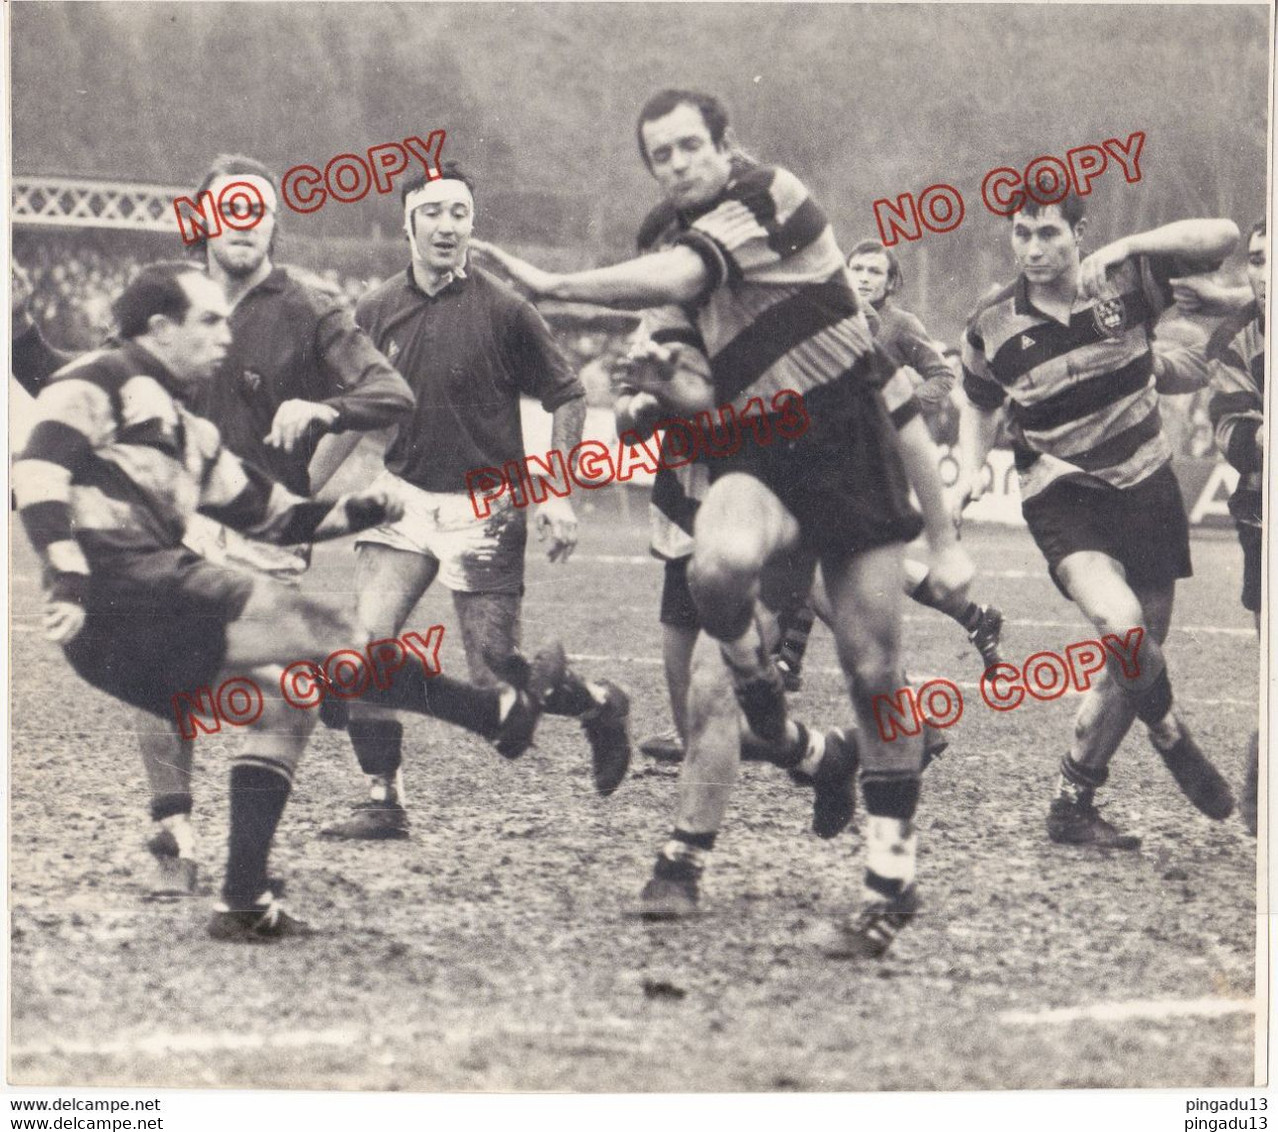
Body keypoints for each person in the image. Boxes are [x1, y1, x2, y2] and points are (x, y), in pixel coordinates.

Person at [474, 89, 974, 957]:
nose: (676, 163)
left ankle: (891, 879)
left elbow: (690, 276)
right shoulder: (672, 263)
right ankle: (757, 706)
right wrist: (658, 390)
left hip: (847, 451)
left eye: (687, 146)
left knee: (872, 669)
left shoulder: (774, 197)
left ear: (724, 145)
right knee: (716, 566)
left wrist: (553, 284)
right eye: (659, 155)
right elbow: (702, 387)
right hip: (765, 452)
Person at [12, 261, 580, 940]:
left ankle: (243, 901)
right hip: (121, 593)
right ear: (160, 329)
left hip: (127, 629)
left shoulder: (190, 432)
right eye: (209, 320)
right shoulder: (99, 379)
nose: (226, 333)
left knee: (290, 700)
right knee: (327, 627)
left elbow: (272, 516)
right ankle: (492, 713)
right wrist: (68, 570)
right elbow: (38, 469)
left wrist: (356, 512)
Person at [10, 155, 417, 893]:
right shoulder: (165, 302)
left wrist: (330, 411)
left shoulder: (311, 307)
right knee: (161, 683)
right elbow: (75, 380)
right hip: (168, 528)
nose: (242, 220)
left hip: (263, 523)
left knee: (284, 689)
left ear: (273, 222)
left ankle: (251, 859)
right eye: (227, 206)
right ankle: (175, 834)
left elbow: (390, 391)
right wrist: (15, 325)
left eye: (256, 207)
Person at [322, 163, 631, 842]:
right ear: (407, 223)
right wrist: (290, 502)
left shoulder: (505, 309)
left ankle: (602, 706)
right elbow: (350, 417)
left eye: (459, 212)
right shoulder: (372, 311)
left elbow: (568, 394)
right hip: (402, 500)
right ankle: (383, 798)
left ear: (473, 225)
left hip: (486, 506)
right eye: (432, 212)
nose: (447, 225)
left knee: (495, 680)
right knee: (362, 647)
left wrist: (556, 490)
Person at [956, 192, 1239, 848]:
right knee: (1121, 624)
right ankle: (1171, 738)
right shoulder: (990, 323)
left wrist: (1133, 244)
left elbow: (1222, 233)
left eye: (1049, 233)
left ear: (1080, 232)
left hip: (1148, 483)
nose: (1033, 249)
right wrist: (971, 469)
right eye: (1021, 234)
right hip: (1062, 493)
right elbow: (977, 403)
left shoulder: (1127, 277)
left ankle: (1073, 799)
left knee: (1135, 654)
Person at [774, 241, 1007, 693]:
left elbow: (943, 377)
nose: (863, 277)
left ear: (891, 281)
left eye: (874, 271)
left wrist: (894, 409)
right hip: (829, 453)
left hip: (873, 457)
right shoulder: (832, 315)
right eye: (856, 268)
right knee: (834, 554)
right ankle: (975, 619)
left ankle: (794, 661)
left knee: (824, 553)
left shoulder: (900, 326)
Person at [1202, 219, 1266, 835]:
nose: (1265, 274)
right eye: (1256, 260)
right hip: (1263, 517)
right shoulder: (1237, 337)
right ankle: (1258, 800)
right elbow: (1228, 429)